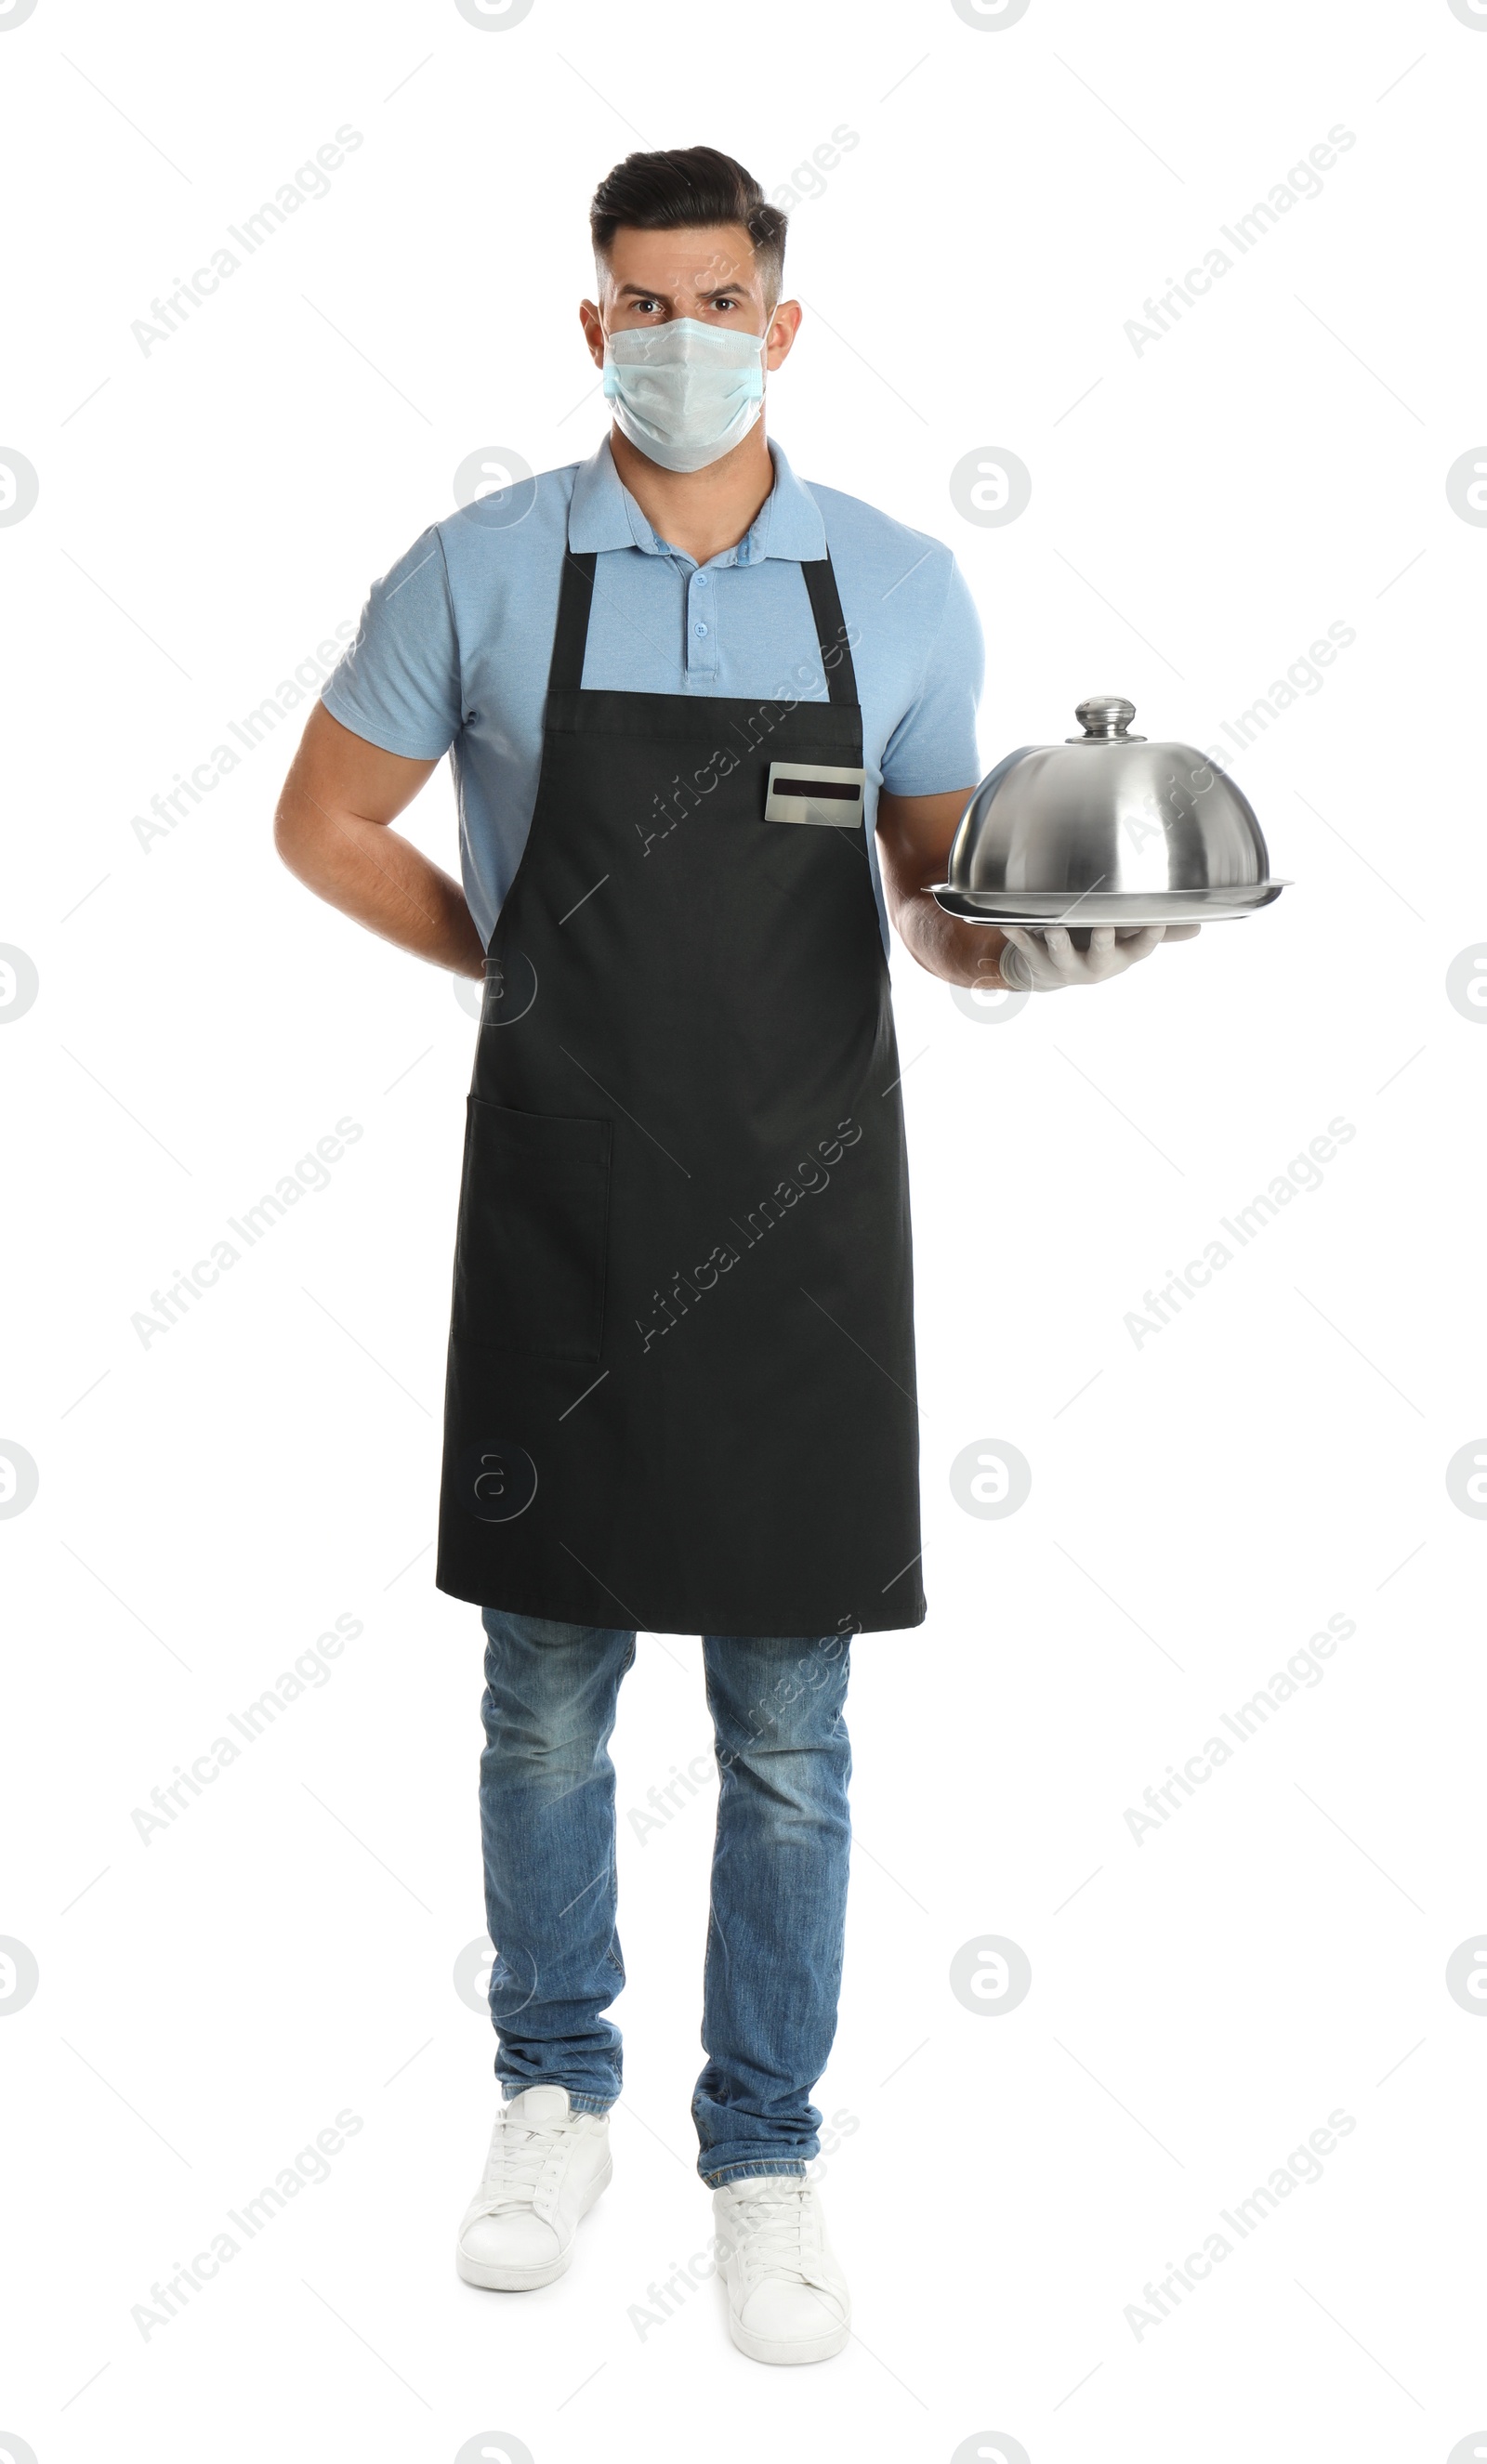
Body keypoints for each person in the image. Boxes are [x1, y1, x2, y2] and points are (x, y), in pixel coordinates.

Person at [273, 143, 1191, 2366]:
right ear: (590, 326)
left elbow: (929, 898)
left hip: (799, 1230)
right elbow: (321, 823)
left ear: (781, 320)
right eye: (634, 305)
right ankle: (548, 2094)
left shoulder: (892, 586)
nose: (674, 340)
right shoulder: (481, 570)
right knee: (542, 1702)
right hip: (563, 1215)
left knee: (789, 1730)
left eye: (714, 302)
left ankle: (759, 2154)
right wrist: (512, 972)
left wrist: (1035, 959)